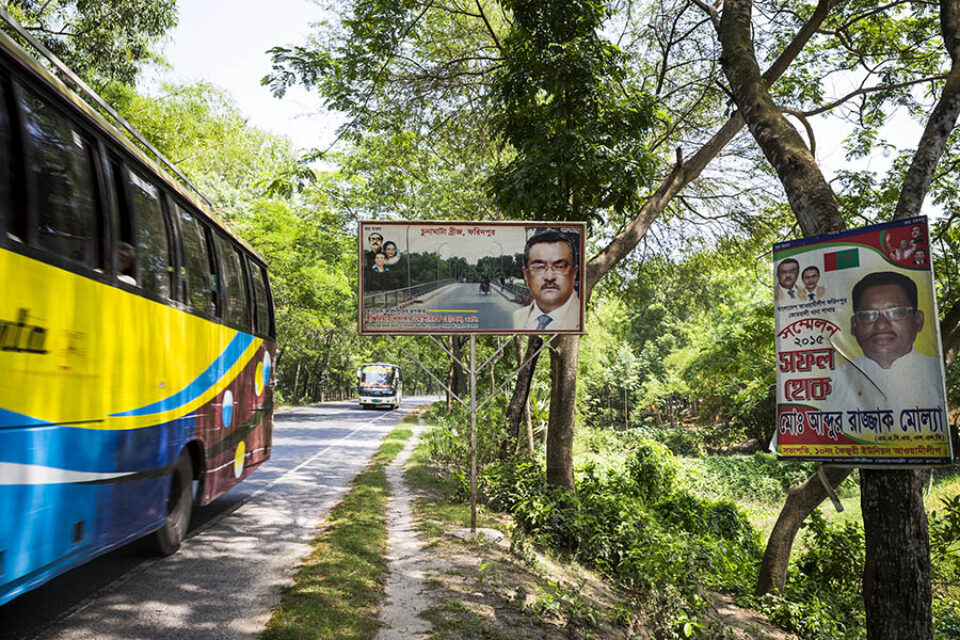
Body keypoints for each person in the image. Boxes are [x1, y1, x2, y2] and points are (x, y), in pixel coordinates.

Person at [833, 271, 944, 411]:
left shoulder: (935, 372)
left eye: (896, 312)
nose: (881, 325)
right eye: (868, 315)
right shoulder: (836, 379)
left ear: (918, 321)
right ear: (854, 326)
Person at [513, 230, 581, 331]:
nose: (549, 277)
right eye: (539, 267)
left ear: (574, 272)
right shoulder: (517, 317)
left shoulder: (582, 318)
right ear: (526, 275)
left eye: (560, 266)